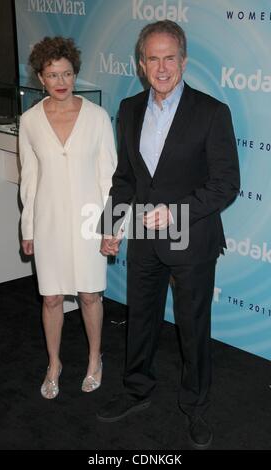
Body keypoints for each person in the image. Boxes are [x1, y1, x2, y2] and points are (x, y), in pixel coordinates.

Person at [97, 20, 240, 449]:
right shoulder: (130, 109)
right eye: (153, 58)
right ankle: (137, 389)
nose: (162, 67)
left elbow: (226, 183)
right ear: (142, 64)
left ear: (184, 60)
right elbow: (125, 178)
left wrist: (175, 212)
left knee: (192, 326)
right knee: (140, 318)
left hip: (191, 234)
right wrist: (110, 226)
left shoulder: (212, 111)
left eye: (170, 58)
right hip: (144, 236)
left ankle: (195, 406)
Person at [19, 36, 116, 399]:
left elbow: (111, 177)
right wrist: (27, 228)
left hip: (90, 223)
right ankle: (54, 363)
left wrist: (112, 227)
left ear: (75, 74)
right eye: (52, 75)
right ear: (40, 78)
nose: (61, 82)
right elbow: (29, 181)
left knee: (91, 295)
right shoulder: (29, 121)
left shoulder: (97, 117)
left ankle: (95, 358)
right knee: (51, 299)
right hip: (48, 223)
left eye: (67, 74)